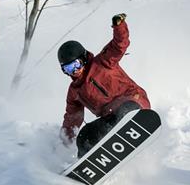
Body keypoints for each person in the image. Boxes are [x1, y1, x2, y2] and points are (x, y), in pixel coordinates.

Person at [59, 13, 151, 158]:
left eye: (76, 65)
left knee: (124, 112)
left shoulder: (102, 61)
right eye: (68, 69)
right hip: (111, 119)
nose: (74, 71)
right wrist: (63, 141)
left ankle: (126, 127)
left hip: (133, 102)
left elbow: (119, 45)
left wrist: (119, 26)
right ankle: (86, 166)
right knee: (84, 136)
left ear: (83, 59)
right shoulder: (74, 92)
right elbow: (72, 118)